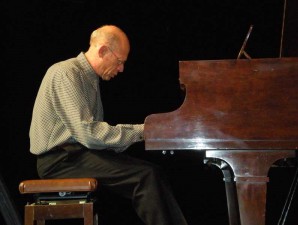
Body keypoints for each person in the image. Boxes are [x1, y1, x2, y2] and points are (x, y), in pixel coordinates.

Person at [29, 25, 188, 225]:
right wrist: (144, 130)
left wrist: (143, 135)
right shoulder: (66, 73)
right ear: (103, 51)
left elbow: (95, 138)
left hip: (78, 155)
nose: (121, 69)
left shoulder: (88, 78)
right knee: (146, 177)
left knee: (152, 172)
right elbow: (89, 134)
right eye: (120, 61)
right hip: (60, 161)